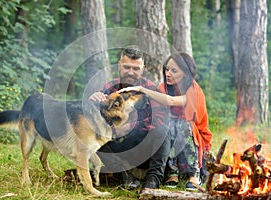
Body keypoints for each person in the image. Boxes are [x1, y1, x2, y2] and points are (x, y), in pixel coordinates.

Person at [89, 45, 185, 191]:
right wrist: (92, 102)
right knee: (92, 131)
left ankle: (153, 181)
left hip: (145, 149)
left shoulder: (150, 89)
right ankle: (124, 176)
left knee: (163, 130)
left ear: (143, 68)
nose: (131, 73)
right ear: (119, 66)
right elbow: (96, 119)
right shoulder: (109, 88)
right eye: (127, 67)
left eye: (136, 69)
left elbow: (160, 119)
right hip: (119, 150)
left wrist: (130, 127)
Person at [118, 52, 212, 191]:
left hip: (192, 135)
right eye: (167, 69)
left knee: (182, 124)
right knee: (166, 125)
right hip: (172, 134)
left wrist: (142, 89)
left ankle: (194, 174)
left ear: (185, 73)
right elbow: (159, 113)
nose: (168, 73)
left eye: (174, 71)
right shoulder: (164, 87)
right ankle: (172, 172)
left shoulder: (193, 89)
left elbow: (171, 101)